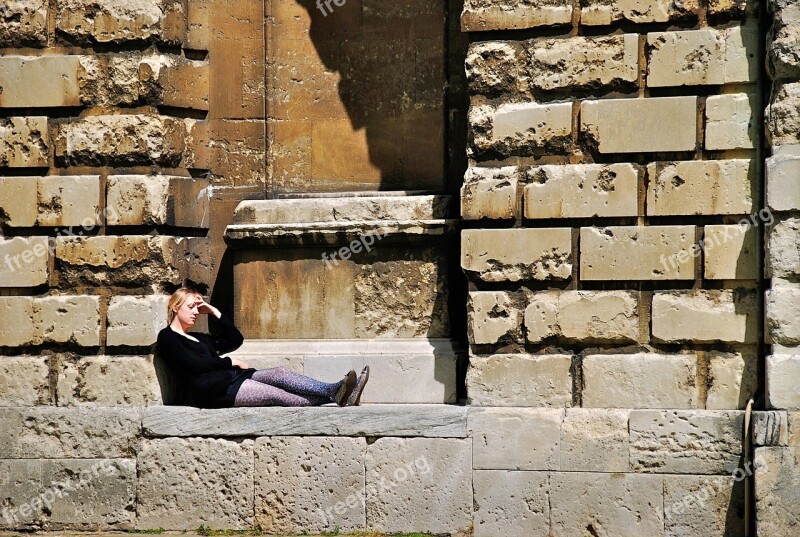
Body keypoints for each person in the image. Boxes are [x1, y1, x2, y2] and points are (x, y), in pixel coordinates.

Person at [156, 287, 370, 408]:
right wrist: (230, 361)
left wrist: (215, 312)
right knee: (276, 395)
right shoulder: (168, 338)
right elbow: (195, 365)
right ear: (175, 307)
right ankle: (337, 393)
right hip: (214, 392)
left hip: (232, 378)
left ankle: (336, 391)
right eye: (191, 307)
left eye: (197, 308)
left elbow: (234, 340)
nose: (195, 312)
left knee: (280, 373)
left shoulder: (198, 338)